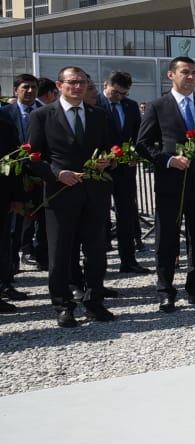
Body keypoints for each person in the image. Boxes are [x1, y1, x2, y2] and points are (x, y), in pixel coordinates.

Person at [24, 66, 116, 327]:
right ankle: (63, 305)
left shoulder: (99, 115)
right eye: (72, 82)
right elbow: (32, 157)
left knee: (96, 251)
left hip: (94, 193)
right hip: (61, 193)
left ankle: (94, 300)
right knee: (61, 253)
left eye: (83, 83)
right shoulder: (42, 115)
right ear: (59, 85)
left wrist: (108, 161)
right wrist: (56, 173)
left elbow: (112, 150)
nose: (78, 87)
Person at [137, 56, 195, 311]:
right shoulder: (158, 106)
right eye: (185, 72)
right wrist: (167, 160)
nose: (190, 77)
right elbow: (143, 144)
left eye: (194, 73)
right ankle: (165, 290)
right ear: (171, 76)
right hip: (171, 184)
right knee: (166, 238)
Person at [102, 71, 146, 273]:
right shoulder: (94, 104)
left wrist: (135, 155)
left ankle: (128, 260)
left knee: (126, 214)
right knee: (99, 215)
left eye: (123, 93)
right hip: (101, 168)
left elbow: (138, 135)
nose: (119, 97)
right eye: (116, 92)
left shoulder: (130, 106)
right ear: (106, 85)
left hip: (125, 170)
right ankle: (98, 262)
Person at [4, 74, 44, 276]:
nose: (30, 91)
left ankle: (41, 257)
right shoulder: (6, 113)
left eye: (34, 87)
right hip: (14, 176)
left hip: (42, 174)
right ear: (15, 90)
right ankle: (10, 269)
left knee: (42, 219)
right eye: (25, 87)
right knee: (13, 225)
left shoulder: (45, 112)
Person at [0, 108, 22, 313]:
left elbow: (14, 161)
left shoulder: (5, 124)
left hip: (2, 194)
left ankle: (4, 285)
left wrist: (16, 196)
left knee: (2, 244)